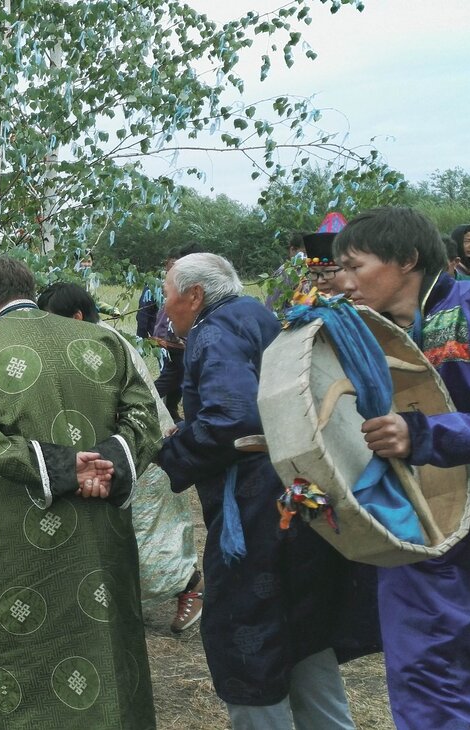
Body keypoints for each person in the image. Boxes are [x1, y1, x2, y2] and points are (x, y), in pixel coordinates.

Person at [156, 253, 379, 729]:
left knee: (247, 637)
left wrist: (172, 451)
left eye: (169, 292)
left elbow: (233, 418)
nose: (166, 304)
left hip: (256, 513)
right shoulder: (257, 314)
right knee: (304, 630)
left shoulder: (211, 331)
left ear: (194, 295)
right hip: (298, 495)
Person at [0, 256, 161, 729]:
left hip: (20, 541)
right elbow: (146, 419)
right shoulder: (105, 341)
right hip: (102, 529)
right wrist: (104, 464)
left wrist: (61, 467)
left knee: (27, 647)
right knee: (110, 640)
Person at [335, 207, 470, 730]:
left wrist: (423, 434)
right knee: (429, 676)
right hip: (430, 528)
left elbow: (427, 426)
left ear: (408, 259)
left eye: (355, 265)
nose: (344, 280)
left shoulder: (465, 308)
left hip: (452, 530)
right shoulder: (393, 334)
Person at [38, 282, 203, 634]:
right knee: (119, 534)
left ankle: (191, 587)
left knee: (150, 536)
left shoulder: (102, 345)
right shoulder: (85, 342)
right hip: (119, 452)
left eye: (51, 320)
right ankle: (121, 605)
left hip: (143, 453)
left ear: (77, 316)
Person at [150, 245, 202, 420]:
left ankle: (171, 410)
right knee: (173, 375)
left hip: (177, 335)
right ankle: (146, 402)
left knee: (178, 377)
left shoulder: (182, 274)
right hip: (174, 336)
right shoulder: (183, 276)